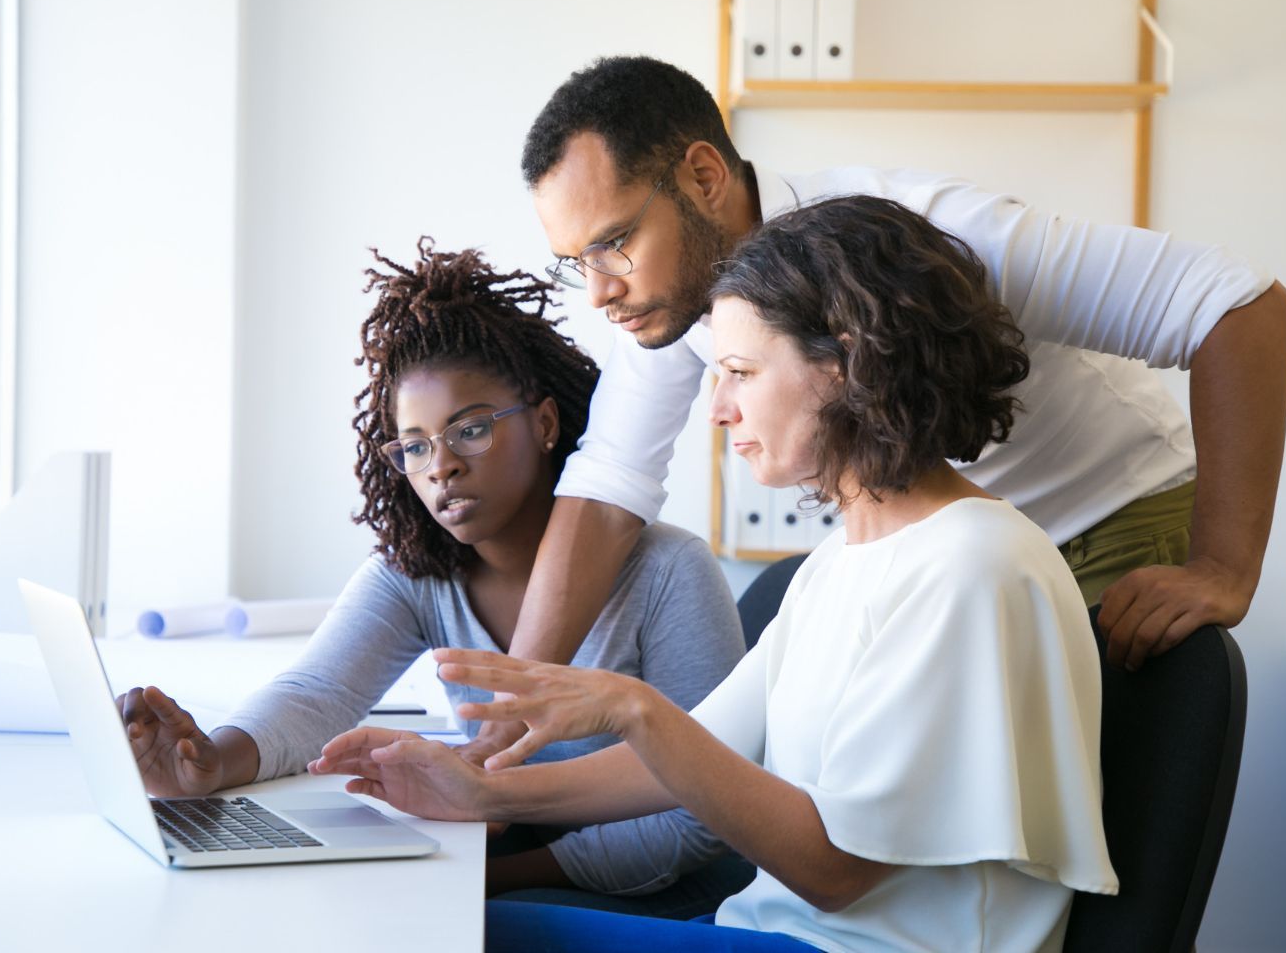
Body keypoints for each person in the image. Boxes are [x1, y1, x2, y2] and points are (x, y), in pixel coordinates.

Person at [312, 196, 1120, 952]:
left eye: (740, 372)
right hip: (767, 930)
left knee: (447, 935)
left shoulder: (971, 568)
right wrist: (481, 793)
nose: (718, 408)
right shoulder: (843, 560)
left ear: (844, 365)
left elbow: (836, 874)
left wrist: (633, 708)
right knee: (428, 922)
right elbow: (702, 754)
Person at [458, 56, 1286, 764]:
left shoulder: (932, 238)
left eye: (613, 243)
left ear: (704, 178)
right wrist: (504, 728)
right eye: (576, 261)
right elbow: (606, 488)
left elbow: (1238, 307)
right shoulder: (668, 299)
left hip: (1112, 522)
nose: (599, 289)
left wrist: (1224, 565)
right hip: (952, 561)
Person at [114, 239, 749, 913]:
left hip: (664, 890)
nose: (440, 466)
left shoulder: (668, 573)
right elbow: (318, 692)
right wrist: (212, 761)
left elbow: (703, 817)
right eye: (414, 445)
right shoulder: (418, 574)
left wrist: (480, 881)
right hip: (510, 858)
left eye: (470, 430)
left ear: (544, 423)